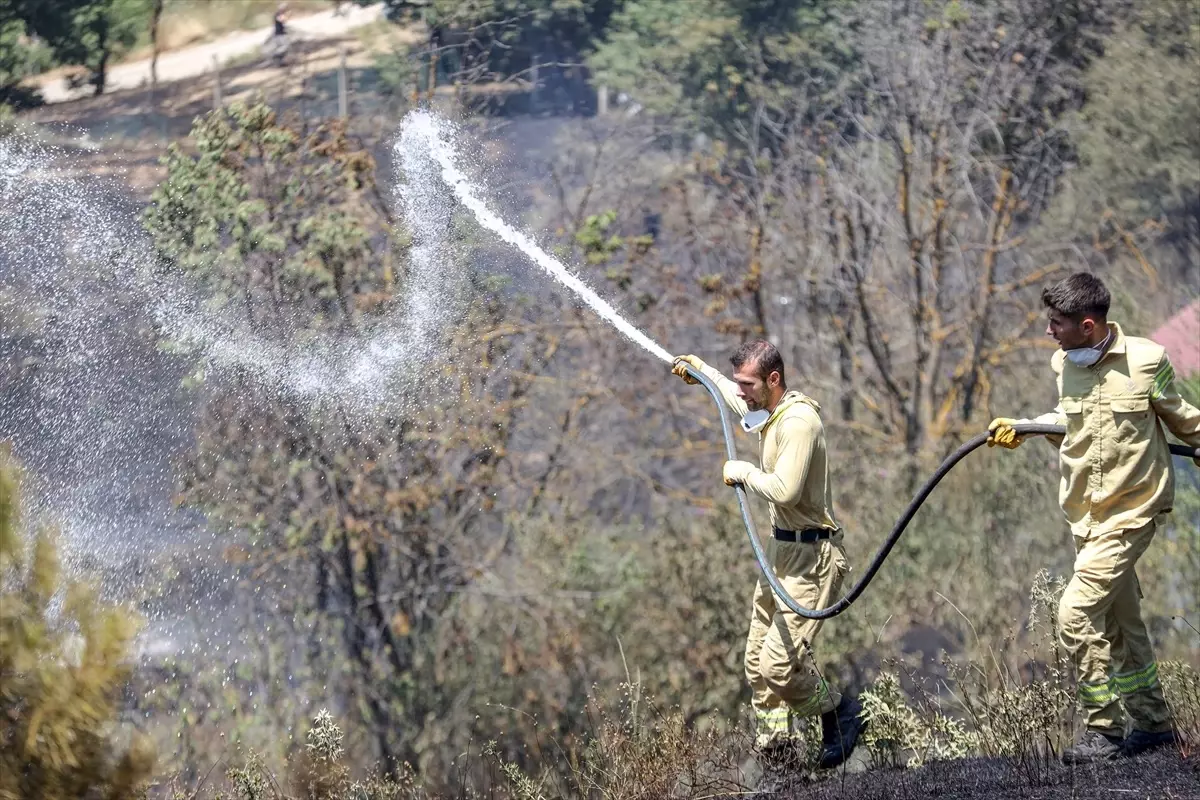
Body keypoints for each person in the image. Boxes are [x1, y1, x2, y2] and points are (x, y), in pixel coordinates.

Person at [988, 273, 1200, 764]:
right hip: (1085, 516)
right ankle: (1153, 725)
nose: (1049, 332)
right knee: (1122, 623)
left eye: (1057, 323)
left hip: (1132, 513)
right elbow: (1072, 422)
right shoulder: (1063, 365)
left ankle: (1103, 730)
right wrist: (1026, 427)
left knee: (1075, 614)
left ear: (1087, 325)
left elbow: (1179, 415)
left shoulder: (1148, 361)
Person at [672, 341, 866, 770]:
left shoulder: (799, 422)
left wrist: (741, 471)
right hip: (780, 551)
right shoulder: (767, 410)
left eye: (749, 384)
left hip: (812, 559)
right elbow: (731, 394)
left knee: (778, 668)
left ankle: (842, 711)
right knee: (756, 668)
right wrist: (701, 369)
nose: (741, 392)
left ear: (773, 380)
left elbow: (784, 489)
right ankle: (779, 756)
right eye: (739, 383)